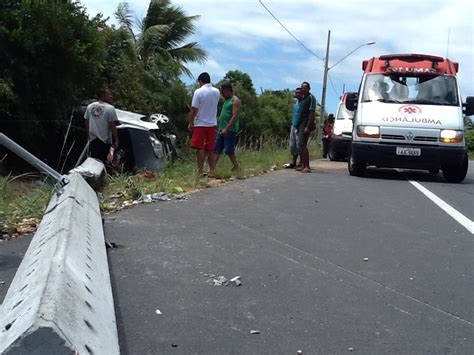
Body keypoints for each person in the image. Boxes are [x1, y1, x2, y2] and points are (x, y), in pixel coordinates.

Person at [188, 72, 220, 176]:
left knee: (199, 148)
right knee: (210, 148)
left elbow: (194, 109)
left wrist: (191, 122)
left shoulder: (198, 92)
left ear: (201, 81)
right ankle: (212, 170)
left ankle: (200, 171)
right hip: (212, 123)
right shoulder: (216, 92)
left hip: (200, 123)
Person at [84, 88, 119, 163]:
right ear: (103, 95)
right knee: (103, 162)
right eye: (108, 94)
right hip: (104, 140)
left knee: (94, 161)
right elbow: (112, 125)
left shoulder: (90, 106)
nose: (110, 96)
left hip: (93, 139)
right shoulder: (110, 108)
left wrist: (88, 136)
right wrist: (116, 140)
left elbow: (87, 122)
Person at [214, 82, 241, 172]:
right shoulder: (226, 101)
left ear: (228, 91)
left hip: (230, 130)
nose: (222, 94)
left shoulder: (235, 100)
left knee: (229, 150)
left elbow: (235, 116)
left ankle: (236, 166)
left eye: (223, 92)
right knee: (217, 149)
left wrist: (227, 128)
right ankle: (212, 168)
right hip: (221, 129)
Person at [297, 81, 316, 173]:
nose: (303, 89)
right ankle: (303, 164)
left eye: (304, 88)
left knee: (303, 145)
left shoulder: (311, 98)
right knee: (300, 145)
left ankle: (307, 166)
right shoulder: (303, 99)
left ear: (308, 88)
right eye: (302, 88)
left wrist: (307, 127)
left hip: (305, 124)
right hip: (300, 124)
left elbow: (312, 113)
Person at [286, 87, 302, 169]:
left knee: (299, 145)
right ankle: (294, 163)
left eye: (299, 93)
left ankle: (301, 163)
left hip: (300, 126)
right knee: (293, 145)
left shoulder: (303, 103)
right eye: (296, 93)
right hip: (294, 125)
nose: (297, 94)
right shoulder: (296, 103)